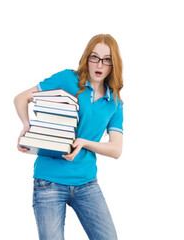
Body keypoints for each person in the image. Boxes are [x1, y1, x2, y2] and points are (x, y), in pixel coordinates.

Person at [13, 34, 124, 239]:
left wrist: (84, 143)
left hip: (86, 182)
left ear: (113, 64)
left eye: (107, 59)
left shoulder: (114, 102)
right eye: (94, 57)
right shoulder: (68, 79)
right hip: (49, 181)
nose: (99, 64)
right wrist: (27, 126)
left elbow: (116, 149)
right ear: (86, 58)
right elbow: (21, 98)